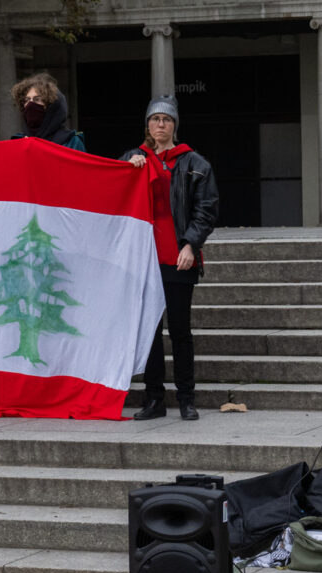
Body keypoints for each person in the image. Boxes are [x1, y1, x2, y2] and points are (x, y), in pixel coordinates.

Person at [123, 95, 218, 421]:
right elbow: (113, 192)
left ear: (174, 125)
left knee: (179, 330)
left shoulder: (195, 164)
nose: (160, 125)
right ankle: (154, 400)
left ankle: (187, 399)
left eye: (166, 119)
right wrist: (128, 169)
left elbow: (206, 211)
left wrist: (191, 245)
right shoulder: (134, 158)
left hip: (179, 257)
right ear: (147, 125)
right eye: (155, 120)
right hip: (143, 260)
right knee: (149, 332)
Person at [10, 72, 86, 151]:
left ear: (51, 105)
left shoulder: (72, 142)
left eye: (37, 99)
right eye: (26, 100)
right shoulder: (17, 142)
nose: (30, 104)